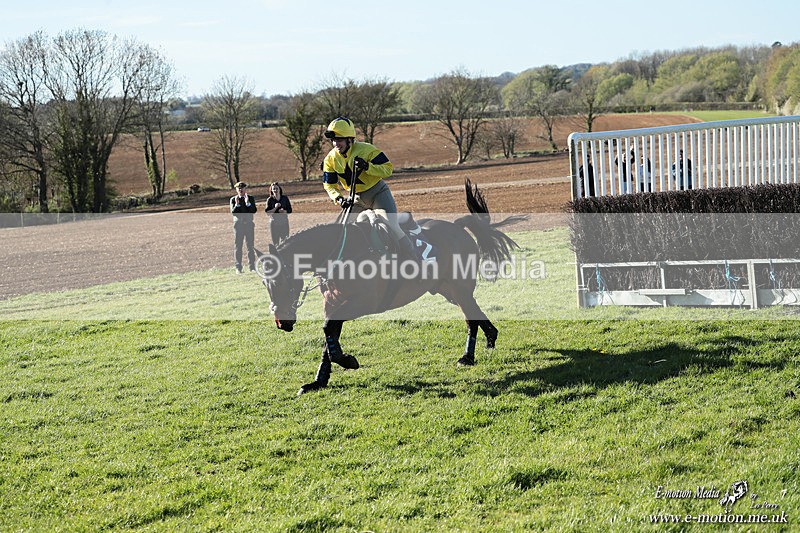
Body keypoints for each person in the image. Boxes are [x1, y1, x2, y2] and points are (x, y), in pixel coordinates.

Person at [321, 116, 419, 259]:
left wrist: (367, 167)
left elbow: (388, 169)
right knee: (341, 232)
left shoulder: (367, 150)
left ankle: (415, 261)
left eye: (339, 140)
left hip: (378, 194)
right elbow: (329, 185)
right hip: (356, 199)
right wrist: (339, 199)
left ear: (350, 139)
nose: (336, 143)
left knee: (391, 226)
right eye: (334, 140)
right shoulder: (330, 159)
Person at [230, 181, 257, 273]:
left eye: (242, 188)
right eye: (238, 188)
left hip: (249, 225)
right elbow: (233, 212)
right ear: (236, 189)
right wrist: (237, 204)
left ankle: (252, 267)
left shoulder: (251, 198)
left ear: (245, 189)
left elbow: (253, 210)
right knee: (238, 246)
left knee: (250, 246)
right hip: (238, 226)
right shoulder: (233, 199)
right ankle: (238, 268)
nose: (240, 190)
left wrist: (247, 203)